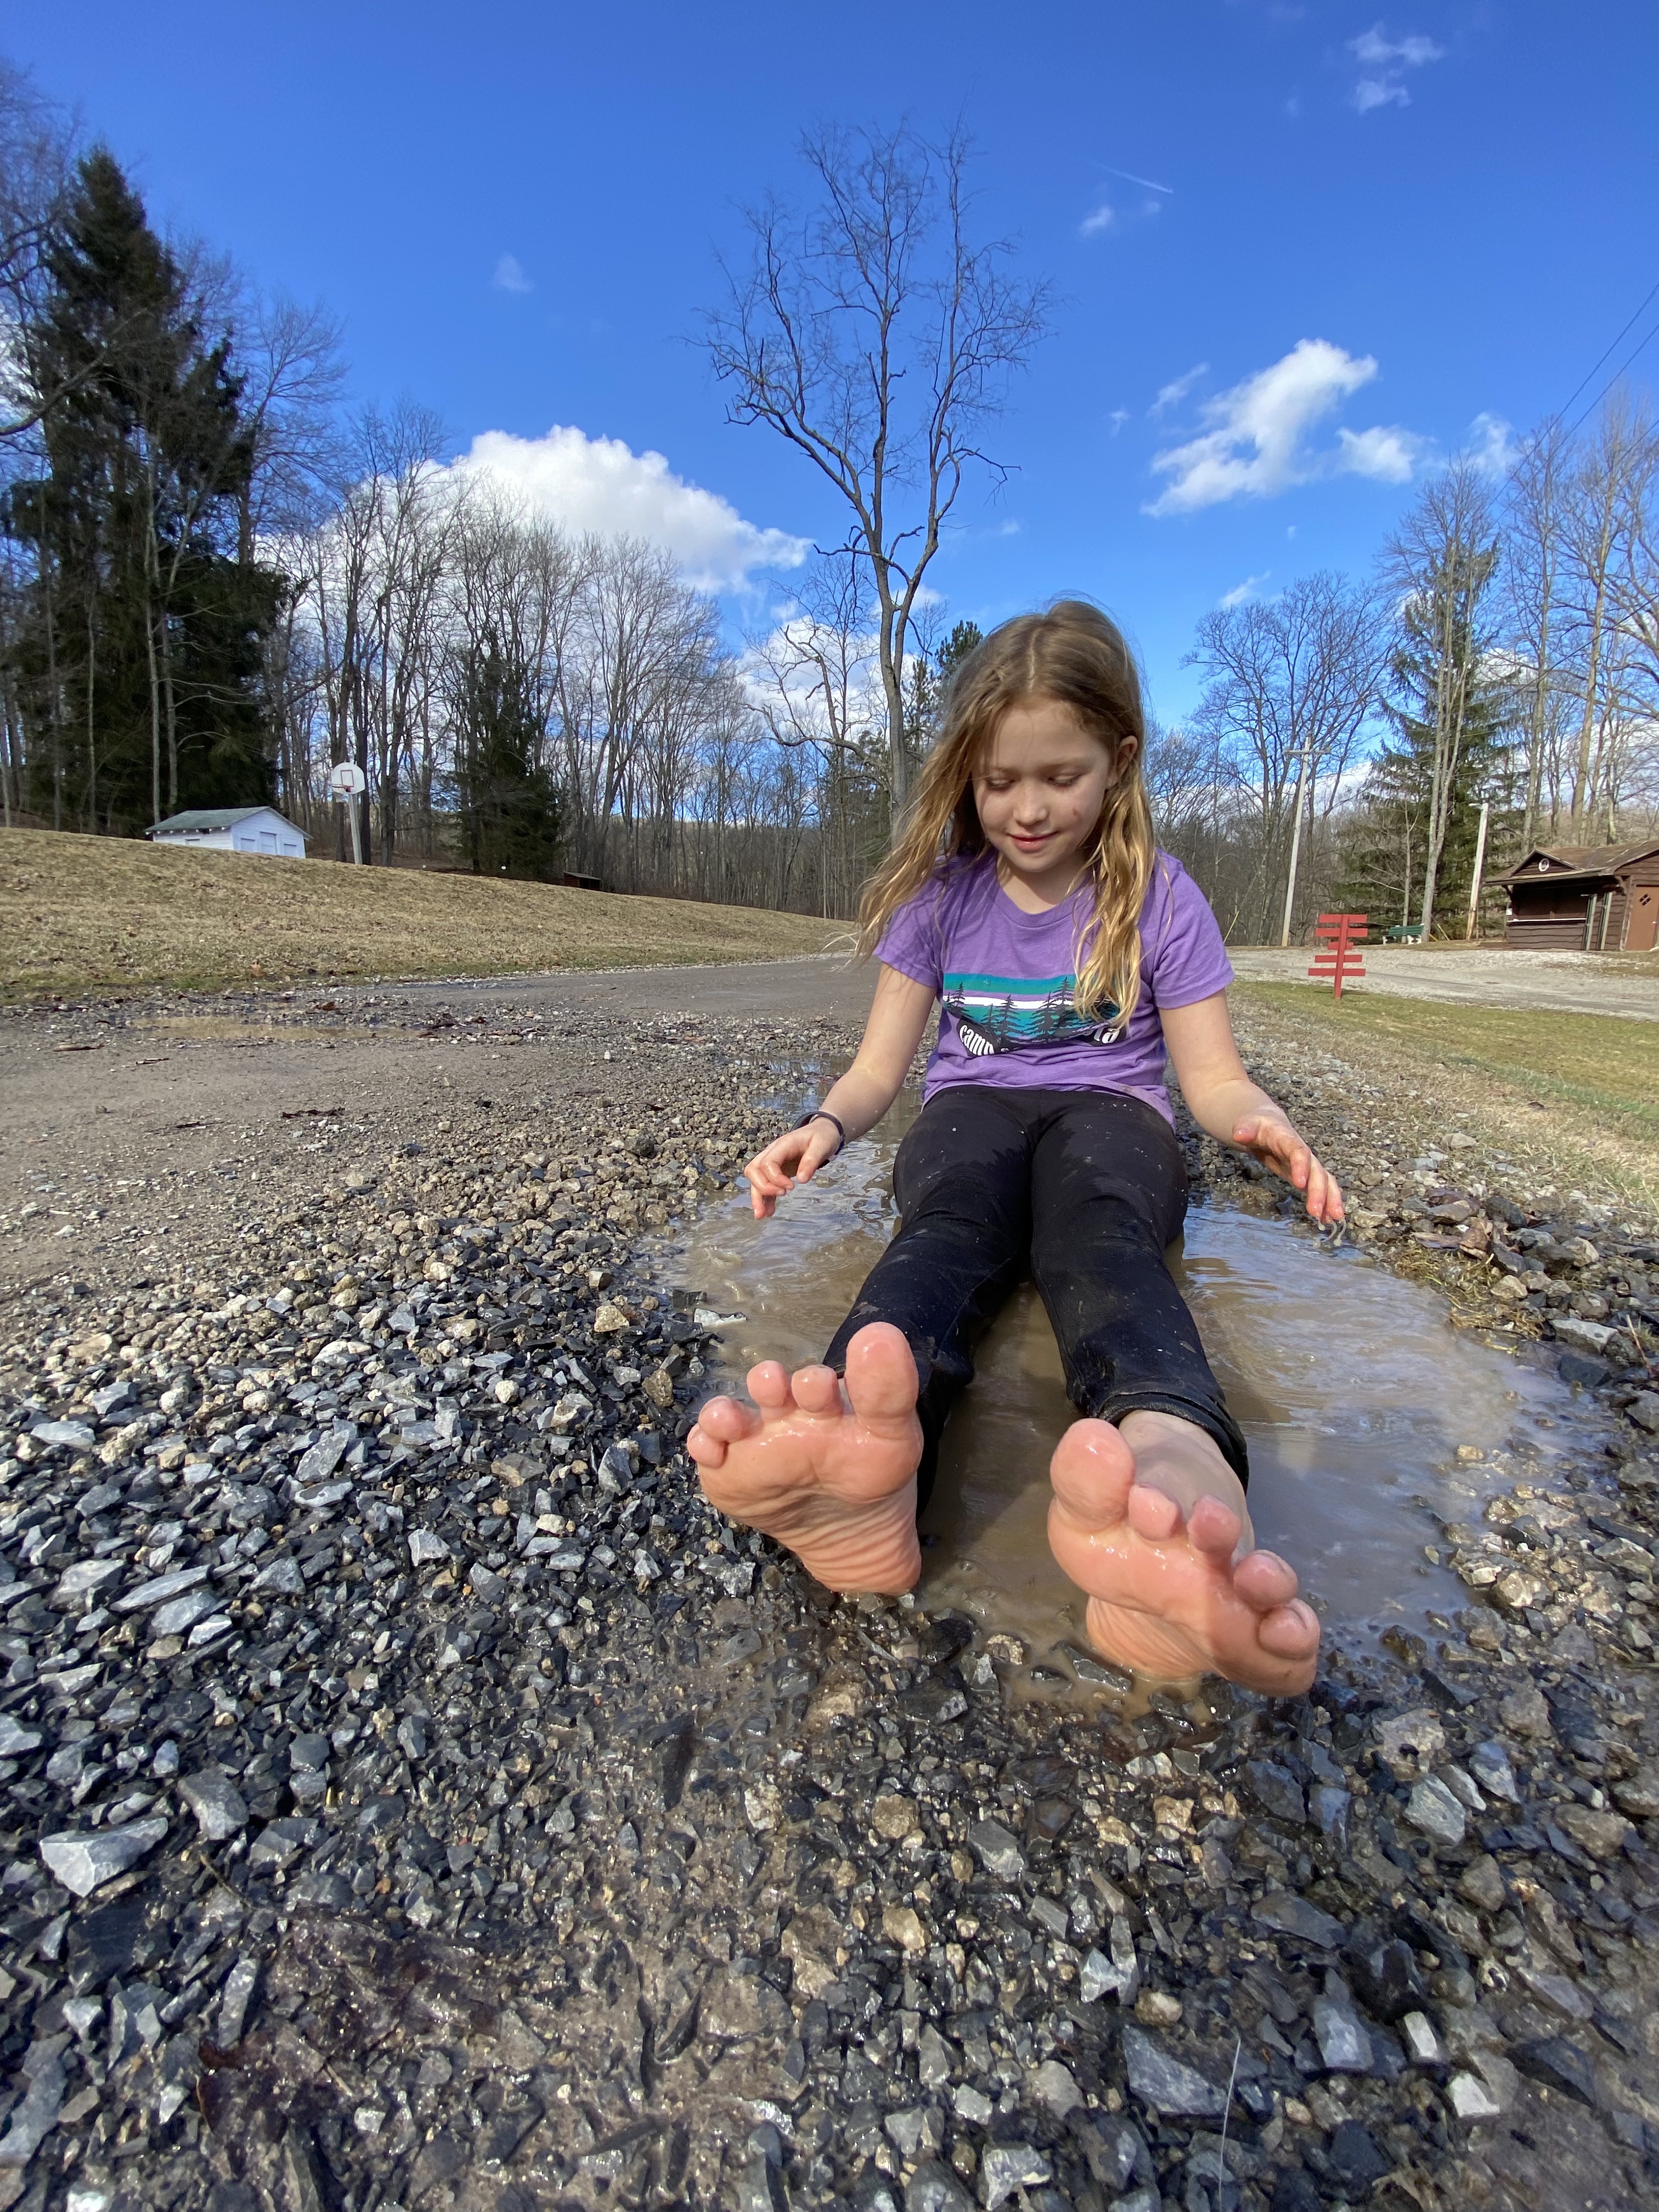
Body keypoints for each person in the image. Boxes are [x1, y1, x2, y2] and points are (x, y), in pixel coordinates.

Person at [688, 601, 1340, 1696]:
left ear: (1119, 761)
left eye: (1060, 777)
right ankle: (866, 1453)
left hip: (1114, 1123)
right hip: (972, 1111)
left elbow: (1213, 1077)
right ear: (965, 777)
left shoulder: (1160, 896)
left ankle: (1176, 1479)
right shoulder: (941, 900)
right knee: (948, 1226)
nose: (1028, 808)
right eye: (999, 782)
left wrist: (1257, 1121)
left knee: (1098, 1240)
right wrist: (822, 1126)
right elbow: (878, 1071)